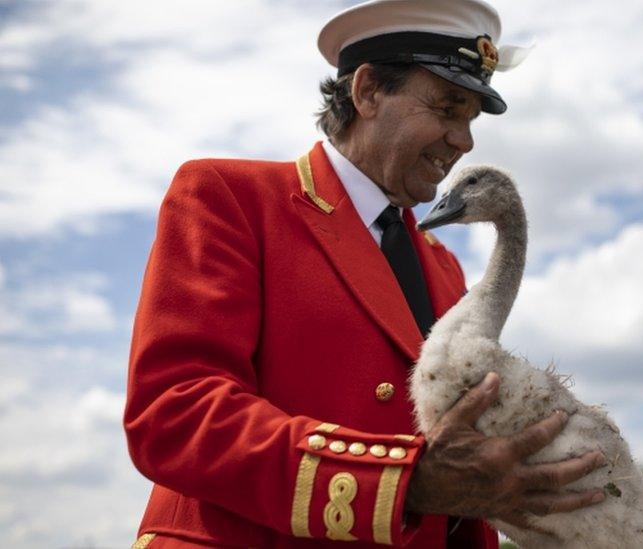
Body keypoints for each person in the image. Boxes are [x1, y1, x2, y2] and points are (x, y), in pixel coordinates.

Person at [123, 1, 607, 547]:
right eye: (448, 108)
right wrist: (407, 482)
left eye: (470, 119)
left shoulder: (445, 267)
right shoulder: (227, 196)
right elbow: (176, 415)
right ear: (369, 91)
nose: (465, 141)